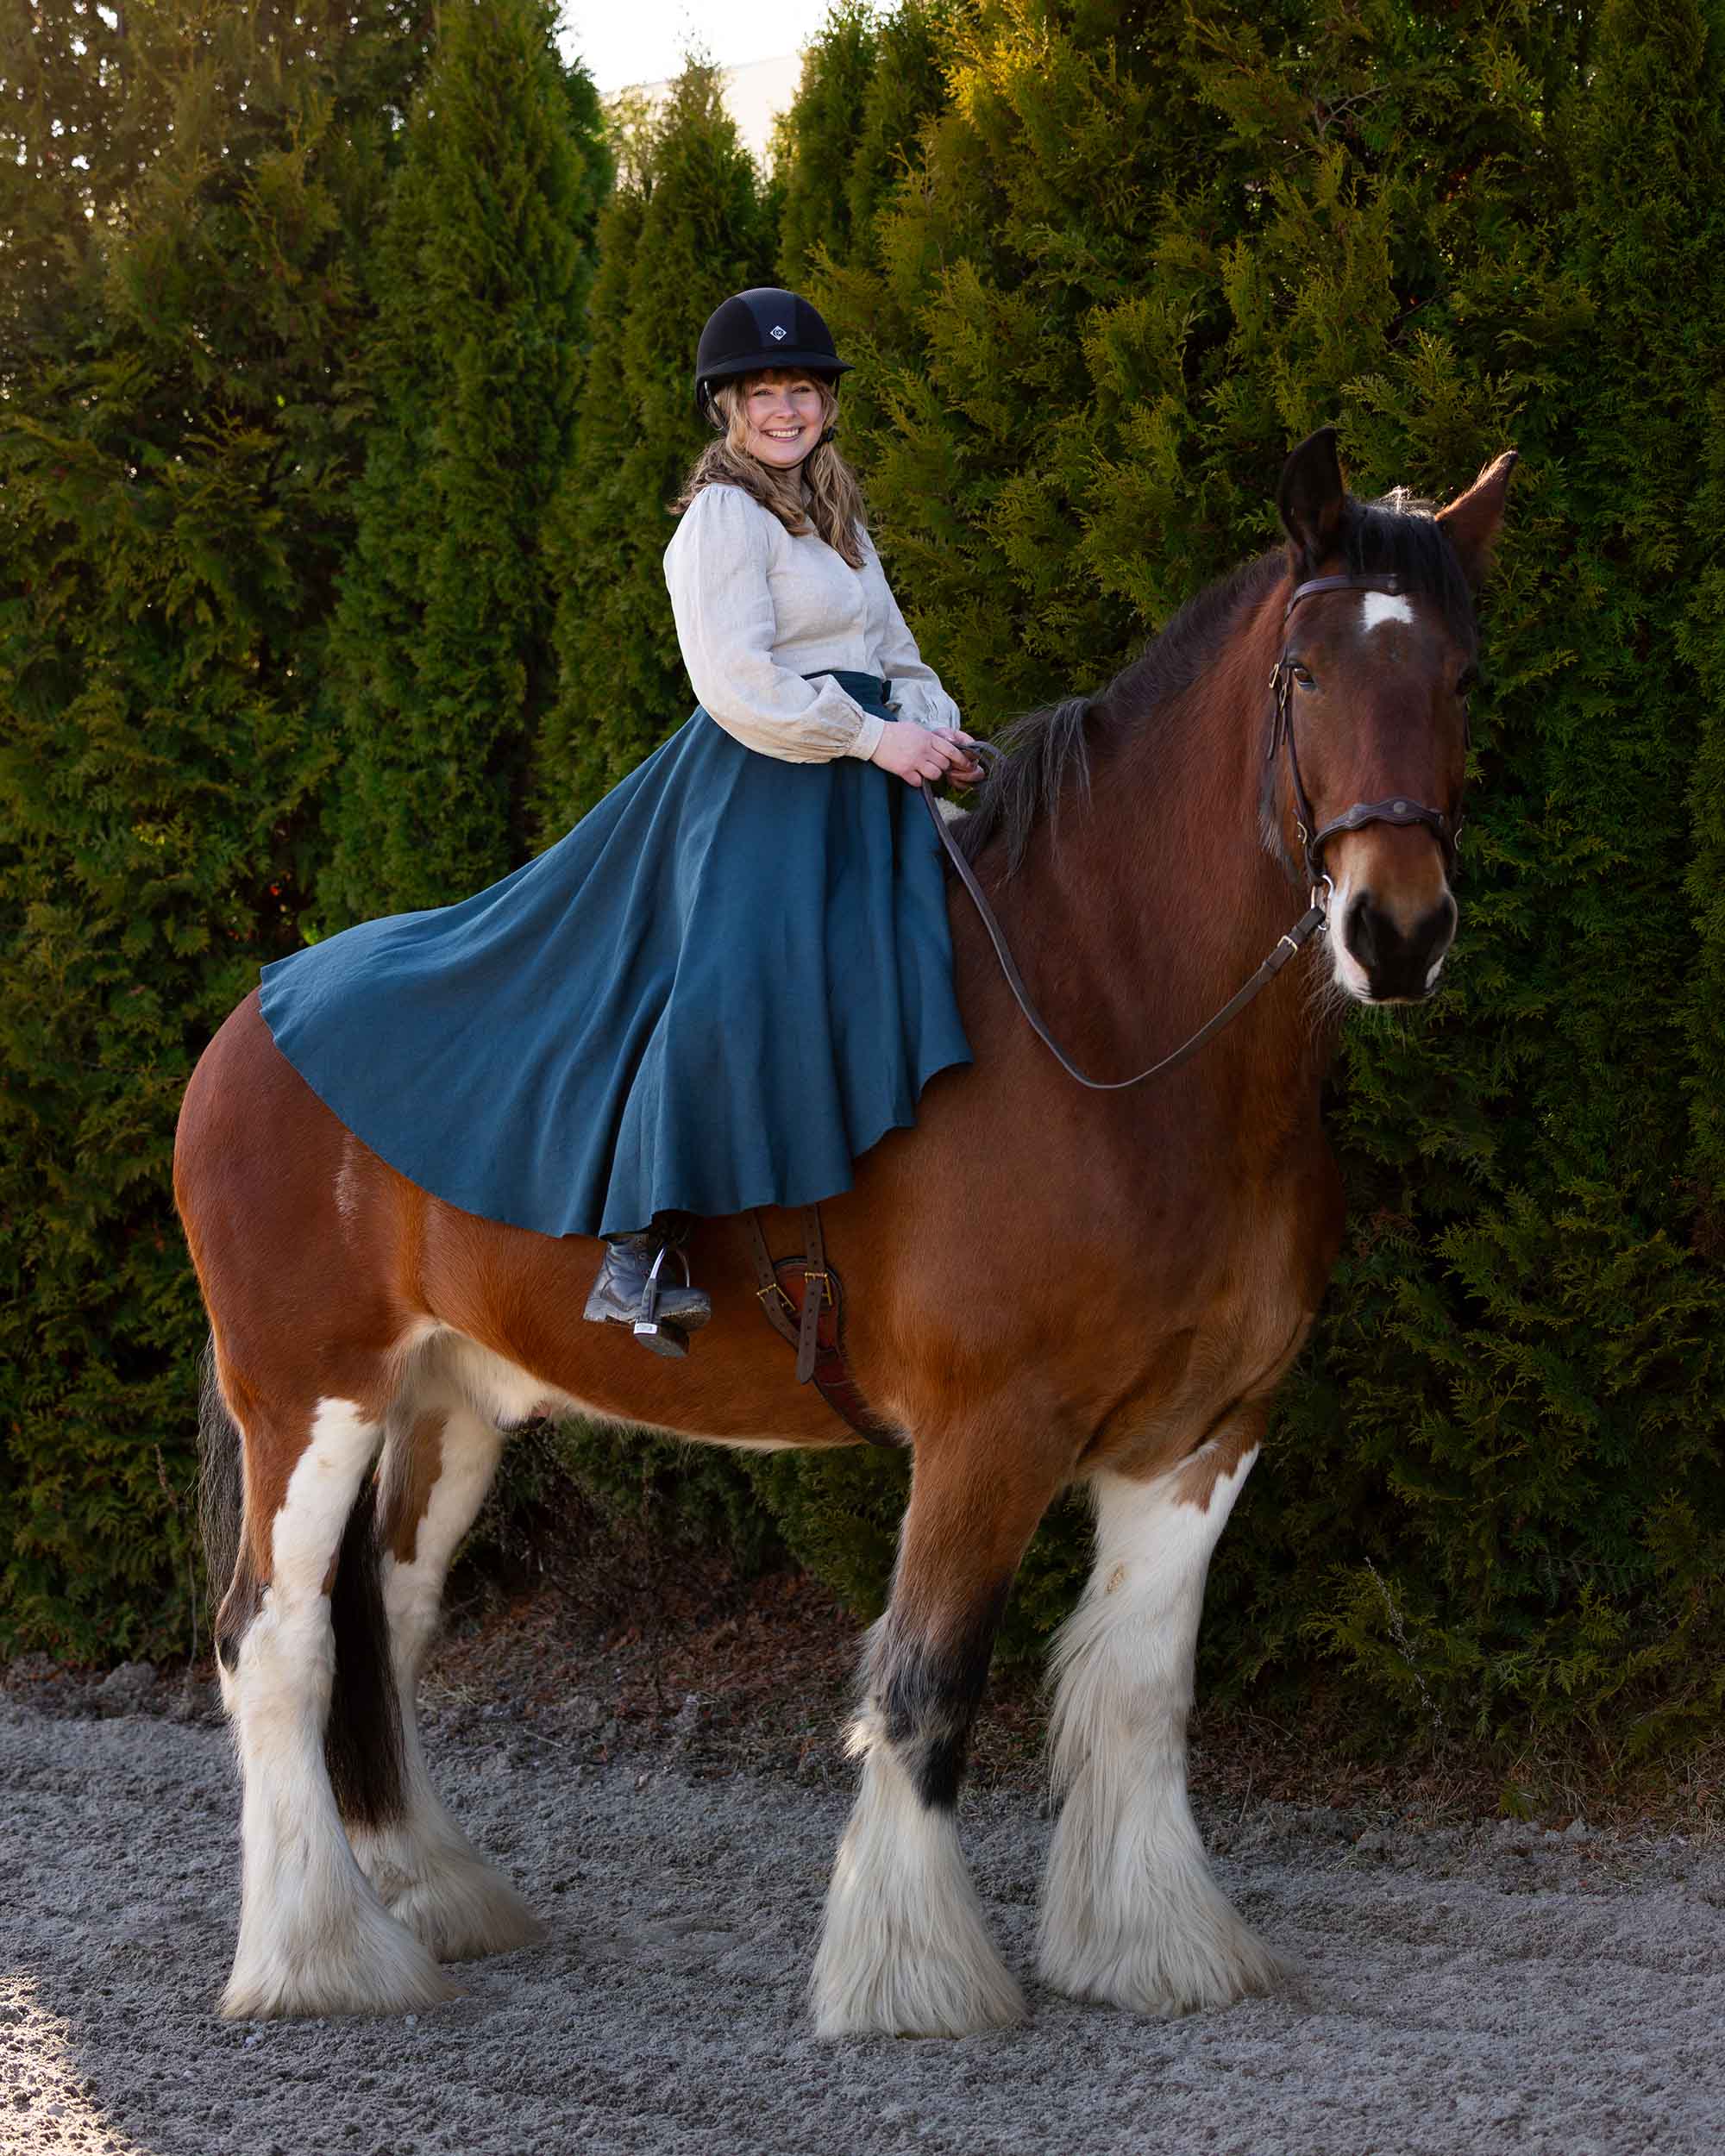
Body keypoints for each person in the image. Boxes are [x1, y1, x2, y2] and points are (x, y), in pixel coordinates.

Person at [258, 287, 980, 1358]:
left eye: (801, 391)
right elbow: (735, 680)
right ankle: (640, 1247)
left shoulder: (838, 519)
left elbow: (898, 657)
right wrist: (876, 740)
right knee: (728, 979)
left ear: (824, 403)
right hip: (765, 780)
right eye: (763, 393)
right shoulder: (722, 519)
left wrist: (934, 730)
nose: (785, 410)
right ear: (727, 409)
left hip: (864, 783)